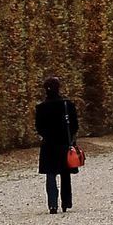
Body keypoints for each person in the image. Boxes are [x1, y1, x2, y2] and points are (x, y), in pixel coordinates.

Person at [34, 76, 80, 214]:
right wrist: (69, 137)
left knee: (50, 174)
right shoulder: (67, 105)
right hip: (64, 143)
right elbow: (75, 125)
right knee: (65, 174)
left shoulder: (41, 107)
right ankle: (66, 203)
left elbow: (39, 127)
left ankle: (52, 205)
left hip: (48, 144)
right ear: (59, 87)